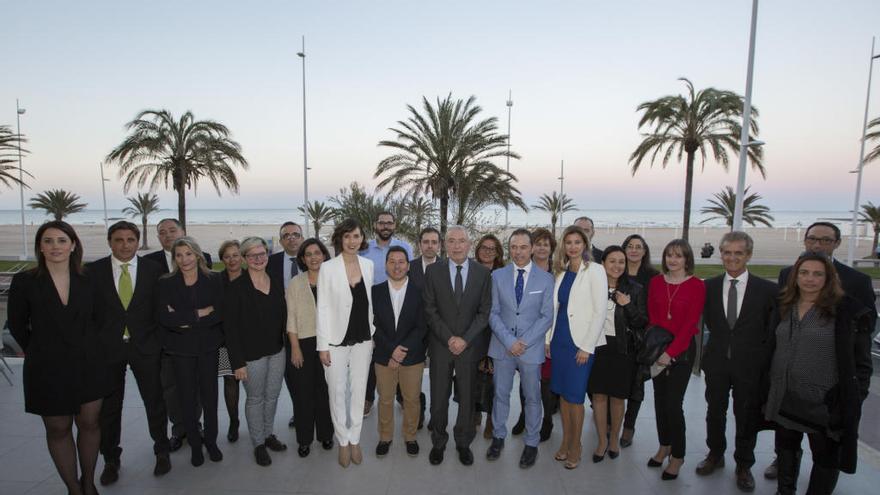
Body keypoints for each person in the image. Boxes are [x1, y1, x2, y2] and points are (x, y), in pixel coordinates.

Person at [764, 221, 878, 480]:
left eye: (825, 240)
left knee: (825, 456)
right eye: (812, 238)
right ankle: (784, 480)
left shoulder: (856, 283)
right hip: (786, 389)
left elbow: (862, 339)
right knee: (786, 446)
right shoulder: (786, 287)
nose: (817, 244)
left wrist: (854, 394)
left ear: (837, 244)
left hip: (825, 397)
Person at [8, 221, 106, 495]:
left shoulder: (90, 279)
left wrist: (89, 347)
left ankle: (88, 483)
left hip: (88, 363)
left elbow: (102, 319)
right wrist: (42, 349)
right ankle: (73, 488)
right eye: (48, 241)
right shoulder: (25, 281)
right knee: (58, 428)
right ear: (40, 246)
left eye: (62, 241)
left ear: (73, 245)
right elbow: (17, 325)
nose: (55, 247)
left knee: (89, 423)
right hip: (46, 367)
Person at [88, 221, 170, 485]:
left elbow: (160, 309)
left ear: (137, 242)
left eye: (130, 240)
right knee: (110, 408)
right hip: (108, 350)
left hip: (145, 347)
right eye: (119, 240)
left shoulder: (153, 270)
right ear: (110, 242)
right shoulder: (93, 271)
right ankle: (111, 458)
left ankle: (161, 450)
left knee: (154, 401)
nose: (125, 245)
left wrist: (157, 342)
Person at [696, 232, 778, 491]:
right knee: (715, 411)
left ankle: (744, 465)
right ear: (721, 254)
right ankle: (715, 454)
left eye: (738, 253)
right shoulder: (707, 287)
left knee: (746, 416)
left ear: (748, 255)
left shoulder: (768, 290)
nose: (732, 258)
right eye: (727, 252)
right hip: (717, 362)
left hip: (750, 366)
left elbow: (772, 331)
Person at [486, 229, 554, 468]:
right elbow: (492, 313)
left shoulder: (545, 279)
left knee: (532, 397)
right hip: (503, 348)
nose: (518, 252)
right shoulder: (497, 276)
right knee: (500, 394)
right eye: (514, 247)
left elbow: (546, 316)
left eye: (523, 247)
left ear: (532, 248)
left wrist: (522, 342)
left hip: (530, 349)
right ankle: (498, 437)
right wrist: (509, 341)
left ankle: (532, 442)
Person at [424, 225, 492, 467]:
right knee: (439, 398)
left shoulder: (483, 274)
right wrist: (449, 338)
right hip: (441, 347)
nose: (456, 245)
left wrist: (465, 339)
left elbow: (484, 313)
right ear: (445, 245)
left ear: (469, 244)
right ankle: (439, 442)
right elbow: (430, 310)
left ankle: (463, 442)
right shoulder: (433, 272)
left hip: (470, 348)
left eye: (461, 241)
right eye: (451, 241)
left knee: (466, 399)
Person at [143, 218, 212, 451]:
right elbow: (160, 309)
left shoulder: (205, 261)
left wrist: (184, 315)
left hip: (199, 341)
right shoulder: (149, 264)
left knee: (197, 387)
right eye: (162, 232)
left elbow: (212, 305)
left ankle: (196, 425)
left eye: (172, 230)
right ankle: (178, 429)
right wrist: (192, 315)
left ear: (182, 232)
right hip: (166, 340)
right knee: (171, 388)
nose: (167, 235)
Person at [545, 225, 608, 470]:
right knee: (562, 394)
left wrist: (587, 346)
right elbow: (556, 310)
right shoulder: (560, 273)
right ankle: (565, 442)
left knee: (575, 397)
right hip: (559, 341)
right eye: (568, 242)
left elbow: (599, 310)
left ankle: (576, 445)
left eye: (577, 242)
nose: (572, 246)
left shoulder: (595, 270)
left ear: (585, 245)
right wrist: (548, 340)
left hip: (581, 344)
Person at [157, 237, 225, 466]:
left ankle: (211, 441)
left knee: (210, 398)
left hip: (208, 348)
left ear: (196, 254)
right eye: (179, 255)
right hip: (180, 350)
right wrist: (200, 314)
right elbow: (165, 318)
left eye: (188, 253)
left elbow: (220, 313)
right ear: (174, 258)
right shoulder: (166, 282)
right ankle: (195, 445)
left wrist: (184, 318)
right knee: (186, 399)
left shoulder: (214, 279)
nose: (184, 259)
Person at [224, 237, 289, 466]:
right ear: (244, 259)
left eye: (262, 254)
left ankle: (268, 434)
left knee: (272, 396)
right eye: (252, 255)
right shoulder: (236, 288)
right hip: (251, 355)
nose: (259, 259)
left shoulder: (277, 282)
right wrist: (237, 363)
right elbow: (230, 330)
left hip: (277, 350)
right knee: (255, 399)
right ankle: (258, 443)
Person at [317, 219, 375, 468]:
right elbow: (322, 308)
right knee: (336, 391)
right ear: (340, 239)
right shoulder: (327, 268)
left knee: (359, 390)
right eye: (348, 236)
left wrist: (374, 335)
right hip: (335, 340)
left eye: (357, 236)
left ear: (362, 239)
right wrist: (323, 345)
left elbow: (369, 301)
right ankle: (342, 440)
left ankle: (355, 438)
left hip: (363, 337)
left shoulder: (369, 265)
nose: (352, 241)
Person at [646, 239, 706, 480]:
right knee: (660, 402)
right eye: (669, 255)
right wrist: (657, 350)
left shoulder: (697, 286)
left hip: (681, 351)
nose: (673, 260)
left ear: (687, 259)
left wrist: (670, 353)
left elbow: (691, 324)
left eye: (679, 256)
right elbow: (652, 317)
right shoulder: (656, 282)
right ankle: (664, 445)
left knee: (673, 404)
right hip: (657, 347)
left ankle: (678, 456)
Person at [587, 245, 648, 462]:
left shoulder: (636, 289)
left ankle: (614, 439)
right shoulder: (593, 286)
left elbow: (642, 321)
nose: (617, 265)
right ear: (602, 264)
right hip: (597, 347)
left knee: (618, 397)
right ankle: (602, 440)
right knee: (599, 396)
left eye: (621, 261)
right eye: (612, 261)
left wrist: (628, 305)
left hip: (623, 349)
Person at [372, 246, 428, 458]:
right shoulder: (375, 292)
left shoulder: (419, 292)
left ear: (408, 265)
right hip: (384, 356)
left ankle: (410, 436)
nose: (397, 266)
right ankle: (385, 437)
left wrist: (401, 351)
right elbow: (372, 325)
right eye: (392, 261)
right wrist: (391, 351)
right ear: (386, 265)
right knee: (385, 399)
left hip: (412, 356)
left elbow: (422, 326)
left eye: (401, 261)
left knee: (411, 399)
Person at [360, 212, 414, 418]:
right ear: (376, 225)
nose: (385, 226)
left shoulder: (405, 248)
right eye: (381, 222)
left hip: (398, 305)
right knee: (373, 354)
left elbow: (411, 274)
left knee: (399, 349)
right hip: (371, 307)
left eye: (389, 223)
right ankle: (368, 398)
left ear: (394, 225)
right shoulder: (365, 250)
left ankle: (401, 395)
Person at [285, 238, 335, 457]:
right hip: (303, 343)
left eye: (317, 252)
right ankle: (304, 439)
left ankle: (326, 435)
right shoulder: (296, 283)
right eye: (309, 254)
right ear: (303, 259)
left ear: (324, 255)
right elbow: (291, 318)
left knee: (325, 392)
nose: (314, 257)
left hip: (329, 343)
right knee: (303, 393)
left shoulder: (334, 280)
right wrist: (295, 347)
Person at [619, 233, 659, 448]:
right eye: (630, 246)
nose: (633, 250)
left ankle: (629, 426)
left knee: (636, 386)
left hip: (641, 338)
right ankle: (609, 421)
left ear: (644, 252)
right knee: (613, 382)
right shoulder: (616, 272)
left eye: (638, 247)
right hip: (615, 337)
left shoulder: (653, 277)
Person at [401, 226, 441, 428]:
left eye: (434, 242)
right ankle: (418, 409)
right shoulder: (409, 267)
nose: (430, 246)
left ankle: (436, 415)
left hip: (439, 333)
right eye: (426, 242)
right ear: (419, 245)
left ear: (439, 245)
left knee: (438, 378)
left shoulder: (447, 267)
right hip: (413, 332)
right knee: (410, 378)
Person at [267, 221, 304, 429]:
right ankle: (299, 411)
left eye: (295, 234)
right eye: (287, 235)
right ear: (281, 240)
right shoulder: (270, 262)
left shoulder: (313, 259)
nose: (291, 238)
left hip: (310, 326)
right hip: (281, 327)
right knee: (291, 372)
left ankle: (315, 408)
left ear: (301, 237)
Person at [217, 240, 243, 442]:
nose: (232, 260)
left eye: (235, 255)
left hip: (251, 341)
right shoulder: (215, 281)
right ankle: (234, 422)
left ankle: (258, 424)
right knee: (230, 381)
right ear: (222, 259)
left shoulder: (252, 277)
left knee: (254, 385)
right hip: (225, 341)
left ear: (241, 256)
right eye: (227, 256)